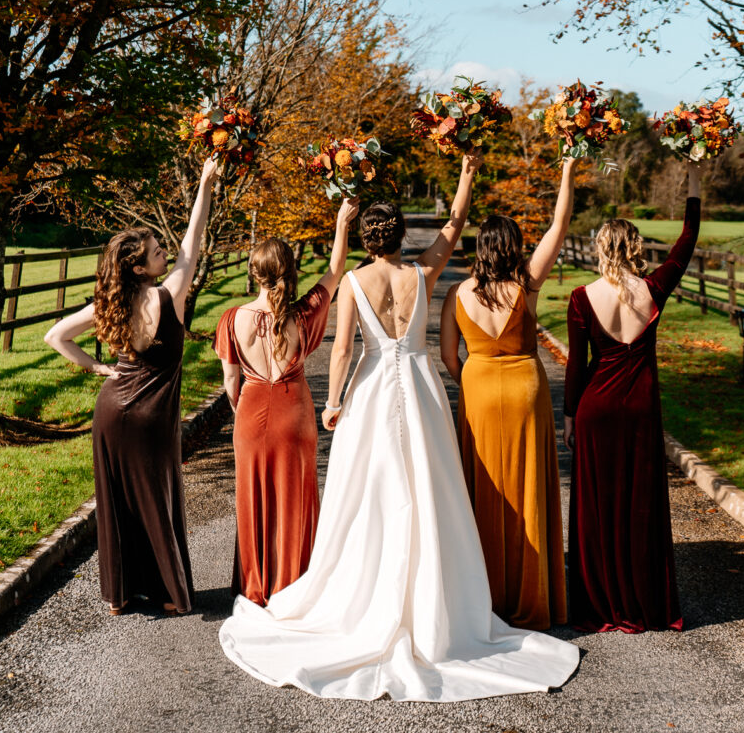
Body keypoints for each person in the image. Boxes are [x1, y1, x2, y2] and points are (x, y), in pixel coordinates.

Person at [218, 154, 580, 701]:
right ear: (402, 235)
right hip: (419, 389)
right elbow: (455, 227)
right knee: (429, 490)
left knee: (367, 495)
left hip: (370, 392)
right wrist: (465, 176)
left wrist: (333, 400)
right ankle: (436, 603)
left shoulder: (355, 283)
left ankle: (363, 594)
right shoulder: (421, 273)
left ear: (367, 238)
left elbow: (342, 349)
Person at [45, 158, 218, 616]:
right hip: (152, 418)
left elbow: (54, 337)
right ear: (140, 268)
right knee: (158, 498)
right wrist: (203, 185)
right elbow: (193, 243)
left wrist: (99, 370)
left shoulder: (110, 301)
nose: (165, 255)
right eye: (156, 252)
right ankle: (169, 595)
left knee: (118, 501)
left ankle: (120, 598)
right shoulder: (169, 295)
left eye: (162, 249)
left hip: (112, 410)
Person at [563, 163, 702, 633]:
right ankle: (643, 603)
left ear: (601, 248)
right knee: (639, 507)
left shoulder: (582, 298)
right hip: (640, 408)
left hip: (594, 411)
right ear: (636, 248)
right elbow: (687, 239)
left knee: (598, 509)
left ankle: (601, 604)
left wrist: (567, 416)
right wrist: (695, 177)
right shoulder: (655, 289)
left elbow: (576, 365)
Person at [439, 158, 576, 630]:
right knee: (528, 488)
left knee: (483, 492)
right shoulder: (526, 285)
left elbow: (447, 356)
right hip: (525, 390)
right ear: (515, 247)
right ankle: (530, 591)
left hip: (478, 393)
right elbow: (560, 225)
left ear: (480, 248)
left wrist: (473, 382)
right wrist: (567, 169)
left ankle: (484, 596)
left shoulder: (458, 294)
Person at [213, 196, 360, 605]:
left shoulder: (231, 319)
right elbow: (334, 271)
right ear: (291, 273)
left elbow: (230, 381)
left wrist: (242, 409)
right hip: (295, 413)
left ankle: (257, 585)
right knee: (296, 498)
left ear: (253, 273)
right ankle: (296, 583)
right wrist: (341, 223)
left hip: (251, 411)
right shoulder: (303, 314)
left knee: (254, 497)